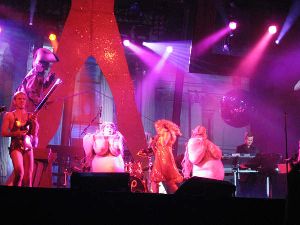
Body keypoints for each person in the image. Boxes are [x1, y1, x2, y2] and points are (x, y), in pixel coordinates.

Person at [1, 91, 38, 186]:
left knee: (28, 177)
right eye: (19, 99)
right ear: (14, 101)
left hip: (28, 146)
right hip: (15, 146)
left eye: (24, 99)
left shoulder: (30, 115)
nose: (22, 101)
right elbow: (3, 132)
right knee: (19, 171)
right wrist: (16, 133)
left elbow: (34, 133)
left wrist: (35, 123)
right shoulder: (9, 115)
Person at [16, 47, 59, 112]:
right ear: (40, 64)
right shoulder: (35, 74)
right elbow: (31, 93)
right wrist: (42, 102)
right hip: (25, 107)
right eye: (46, 64)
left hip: (27, 107)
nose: (47, 67)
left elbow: (38, 89)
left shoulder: (38, 75)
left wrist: (48, 81)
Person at [149, 119, 183, 194]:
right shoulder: (160, 136)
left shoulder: (167, 133)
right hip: (159, 159)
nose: (156, 129)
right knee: (154, 180)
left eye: (157, 127)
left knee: (169, 181)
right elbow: (156, 152)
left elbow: (164, 143)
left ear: (162, 126)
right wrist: (152, 143)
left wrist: (158, 137)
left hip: (166, 159)